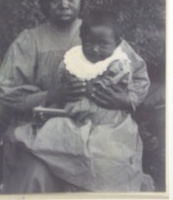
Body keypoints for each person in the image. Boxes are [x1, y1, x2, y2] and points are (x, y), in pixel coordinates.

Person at [0, 0, 151, 194]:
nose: (64, 4)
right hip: (47, 128)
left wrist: (126, 99)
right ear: (43, 1)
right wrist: (51, 95)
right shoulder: (29, 42)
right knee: (35, 171)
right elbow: (6, 95)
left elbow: (138, 74)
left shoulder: (99, 32)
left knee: (108, 169)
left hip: (104, 128)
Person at [14, 10, 152, 192]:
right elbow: (62, 81)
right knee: (55, 136)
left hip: (110, 124)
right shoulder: (74, 58)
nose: (95, 49)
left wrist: (127, 99)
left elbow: (140, 79)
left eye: (102, 45)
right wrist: (65, 92)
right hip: (75, 119)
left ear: (116, 43)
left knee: (107, 160)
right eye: (89, 43)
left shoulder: (120, 59)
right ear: (82, 39)